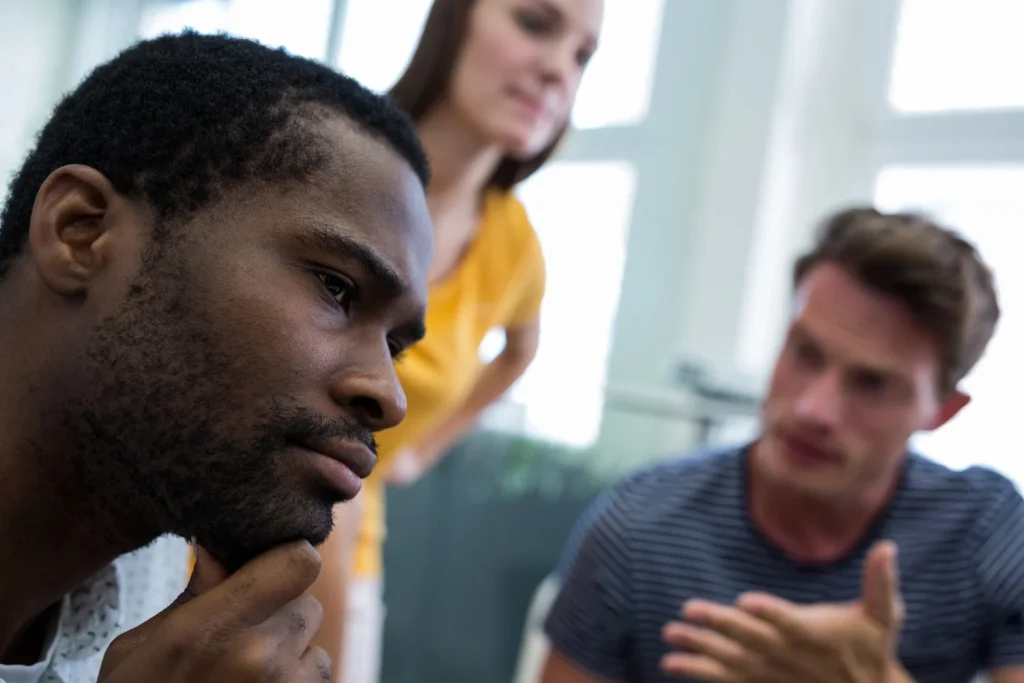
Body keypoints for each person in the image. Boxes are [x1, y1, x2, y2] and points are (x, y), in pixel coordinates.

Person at [0, 31, 433, 683]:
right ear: (81, 232)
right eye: (337, 287)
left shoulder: (165, 570)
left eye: (395, 344)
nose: (390, 395)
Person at [541, 208, 1024, 683]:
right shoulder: (639, 526)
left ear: (941, 412)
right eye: (804, 352)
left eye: (872, 384)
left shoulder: (986, 534)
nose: (813, 410)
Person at [309, 1, 604, 681]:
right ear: (454, 20)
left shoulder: (511, 243)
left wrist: (423, 449)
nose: (559, 68)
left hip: (350, 534)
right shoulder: (324, 162)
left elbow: (521, 351)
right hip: (208, 516)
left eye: (583, 56)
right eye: (535, 24)